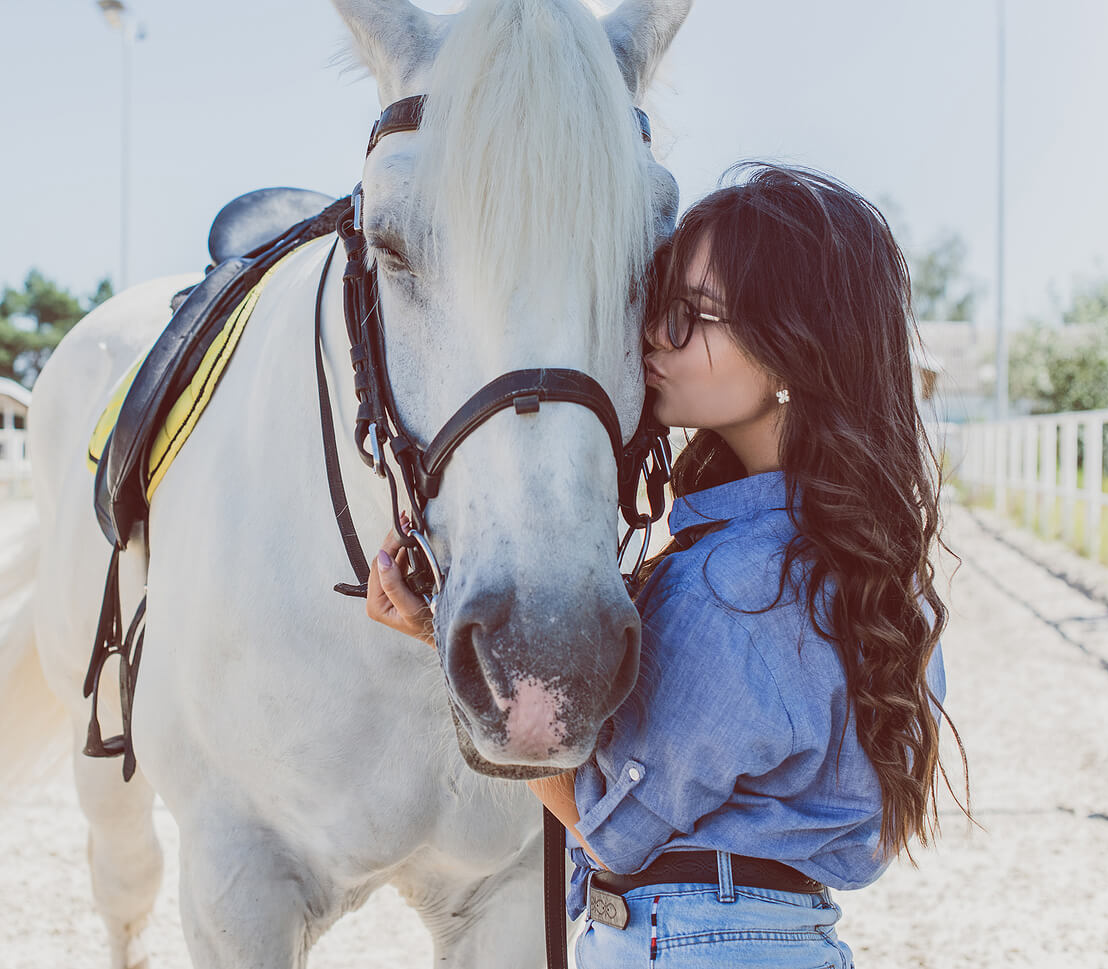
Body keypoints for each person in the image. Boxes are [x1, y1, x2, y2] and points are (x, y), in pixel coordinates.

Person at [366, 162, 967, 968]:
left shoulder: (734, 587)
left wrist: (446, 641)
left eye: (695, 316)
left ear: (791, 355)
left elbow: (608, 828)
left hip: (685, 941)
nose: (655, 334)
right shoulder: (874, 577)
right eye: (660, 304)